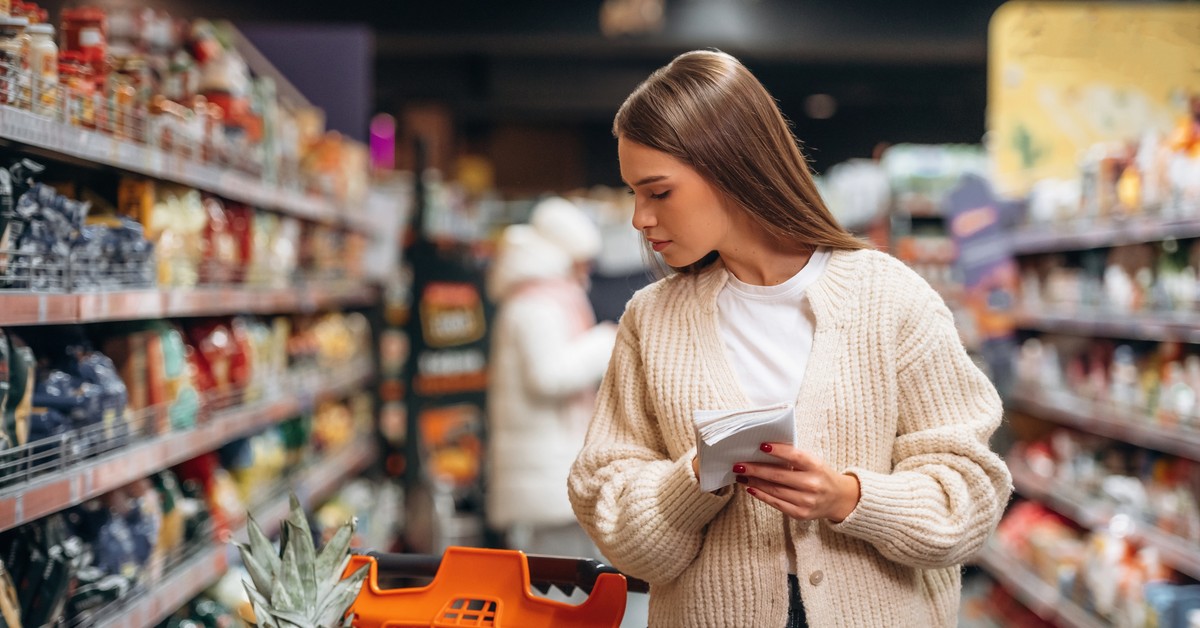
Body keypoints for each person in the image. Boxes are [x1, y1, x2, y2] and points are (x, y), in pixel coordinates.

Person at [567, 50, 1013, 627]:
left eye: (658, 192)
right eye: (633, 194)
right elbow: (612, 509)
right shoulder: (650, 321)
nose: (639, 219)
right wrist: (696, 477)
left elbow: (970, 490)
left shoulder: (891, 298)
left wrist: (849, 499)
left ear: (730, 167)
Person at [485, 196, 618, 559]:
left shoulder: (537, 298)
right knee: (562, 590)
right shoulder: (537, 304)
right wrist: (606, 340)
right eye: (583, 262)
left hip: (545, 467)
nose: (587, 272)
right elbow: (548, 377)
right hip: (545, 475)